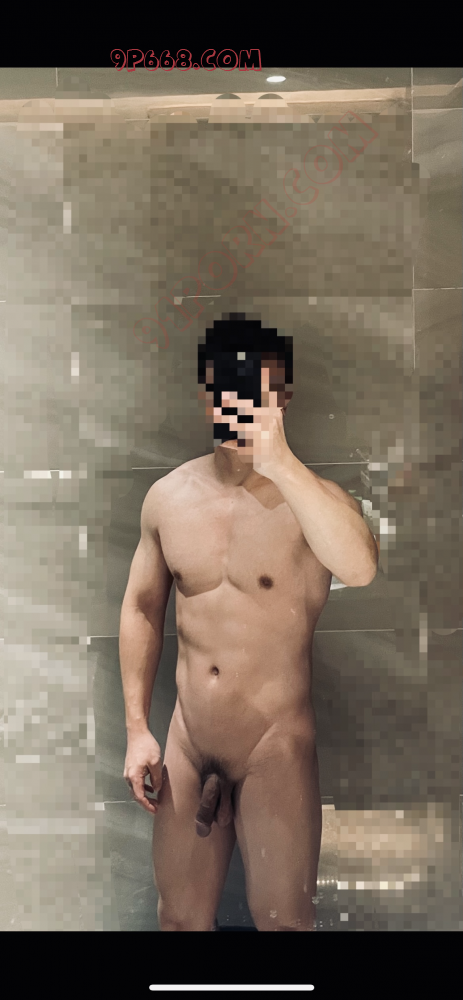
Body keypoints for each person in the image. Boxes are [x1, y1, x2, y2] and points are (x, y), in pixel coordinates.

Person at [119, 315, 378, 931]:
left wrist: (280, 463)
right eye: (227, 388)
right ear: (207, 392)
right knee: (178, 921)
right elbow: (141, 607)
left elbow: (361, 568)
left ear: (283, 398)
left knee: (285, 924)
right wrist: (137, 728)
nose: (238, 405)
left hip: (275, 745)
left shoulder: (315, 503)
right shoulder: (168, 498)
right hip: (188, 740)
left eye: (257, 391)